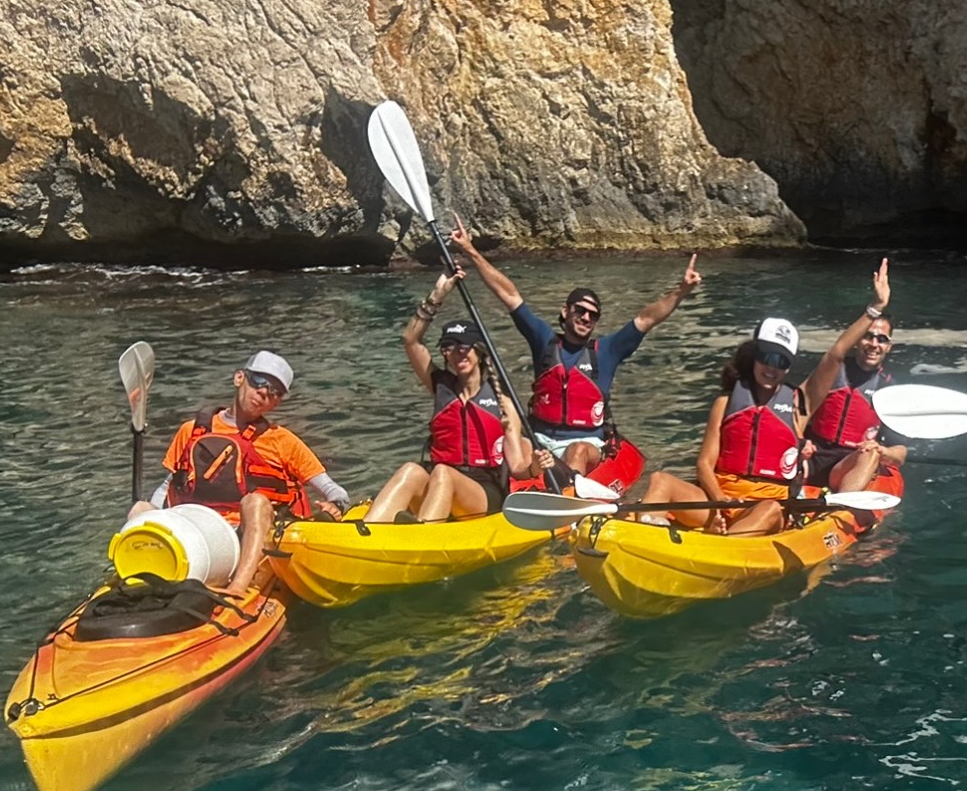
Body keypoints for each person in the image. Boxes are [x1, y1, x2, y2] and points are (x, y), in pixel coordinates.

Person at [448, 224, 701, 467]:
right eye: (580, 310)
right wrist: (470, 251)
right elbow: (510, 296)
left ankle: (567, 499)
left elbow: (646, 319)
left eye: (593, 314)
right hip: (540, 440)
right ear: (565, 311)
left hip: (586, 442)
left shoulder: (607, 351)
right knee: (513, 440)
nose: (586, 317)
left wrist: (681, 291)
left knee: (576, 451)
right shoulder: (544, 341)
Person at [128, 351, 345, 594]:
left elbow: (334, 490)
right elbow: (170, 483)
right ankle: (132, 576)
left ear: (277, 403)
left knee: (256, 502)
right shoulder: (192, 430)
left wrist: (337, 504)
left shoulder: (281, 440)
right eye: (259, 382)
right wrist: (154, 517)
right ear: (239, 378)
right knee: (140, 509)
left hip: (240, 539)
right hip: (193, 533)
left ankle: (239, 588)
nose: (264, 393)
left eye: (274, 392)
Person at [363, 273, 538, 524]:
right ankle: (368, 532)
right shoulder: (441, 387)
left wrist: (537, 467)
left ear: (478, 350)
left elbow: (520, 468)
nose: (457, 354)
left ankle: (423, 537)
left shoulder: (501, 400)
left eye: (463, 347)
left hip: (483, 493)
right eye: (449, 348)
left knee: (444, 474)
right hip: (438, 482)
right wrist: (438, 295)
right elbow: (410, 340)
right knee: (411, 470)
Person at [629, 317, 815, 538]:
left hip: (762, 507)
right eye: (766, 357)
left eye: (781, 362)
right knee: (661, 480)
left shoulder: (795, 406)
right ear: (754, 355)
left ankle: (721, 544)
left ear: (788, 368)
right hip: (720, 499)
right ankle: (645, 537)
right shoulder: (726, 403)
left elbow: (835, 357)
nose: (771, 367)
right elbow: (704, 464)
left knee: (772, 509)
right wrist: (720, 501)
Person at [799, 258, 906, 495]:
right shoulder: (833, 371)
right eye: (868, 337)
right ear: (857, 340)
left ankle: (841, 507)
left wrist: (883, 452)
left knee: (870, 455)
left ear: (889, 347)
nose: (874, 344)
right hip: (812, 456)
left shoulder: (890, 390)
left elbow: (901, 450)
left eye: (882, 340)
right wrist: (799, 442)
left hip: (849, 465)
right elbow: (796, 408)